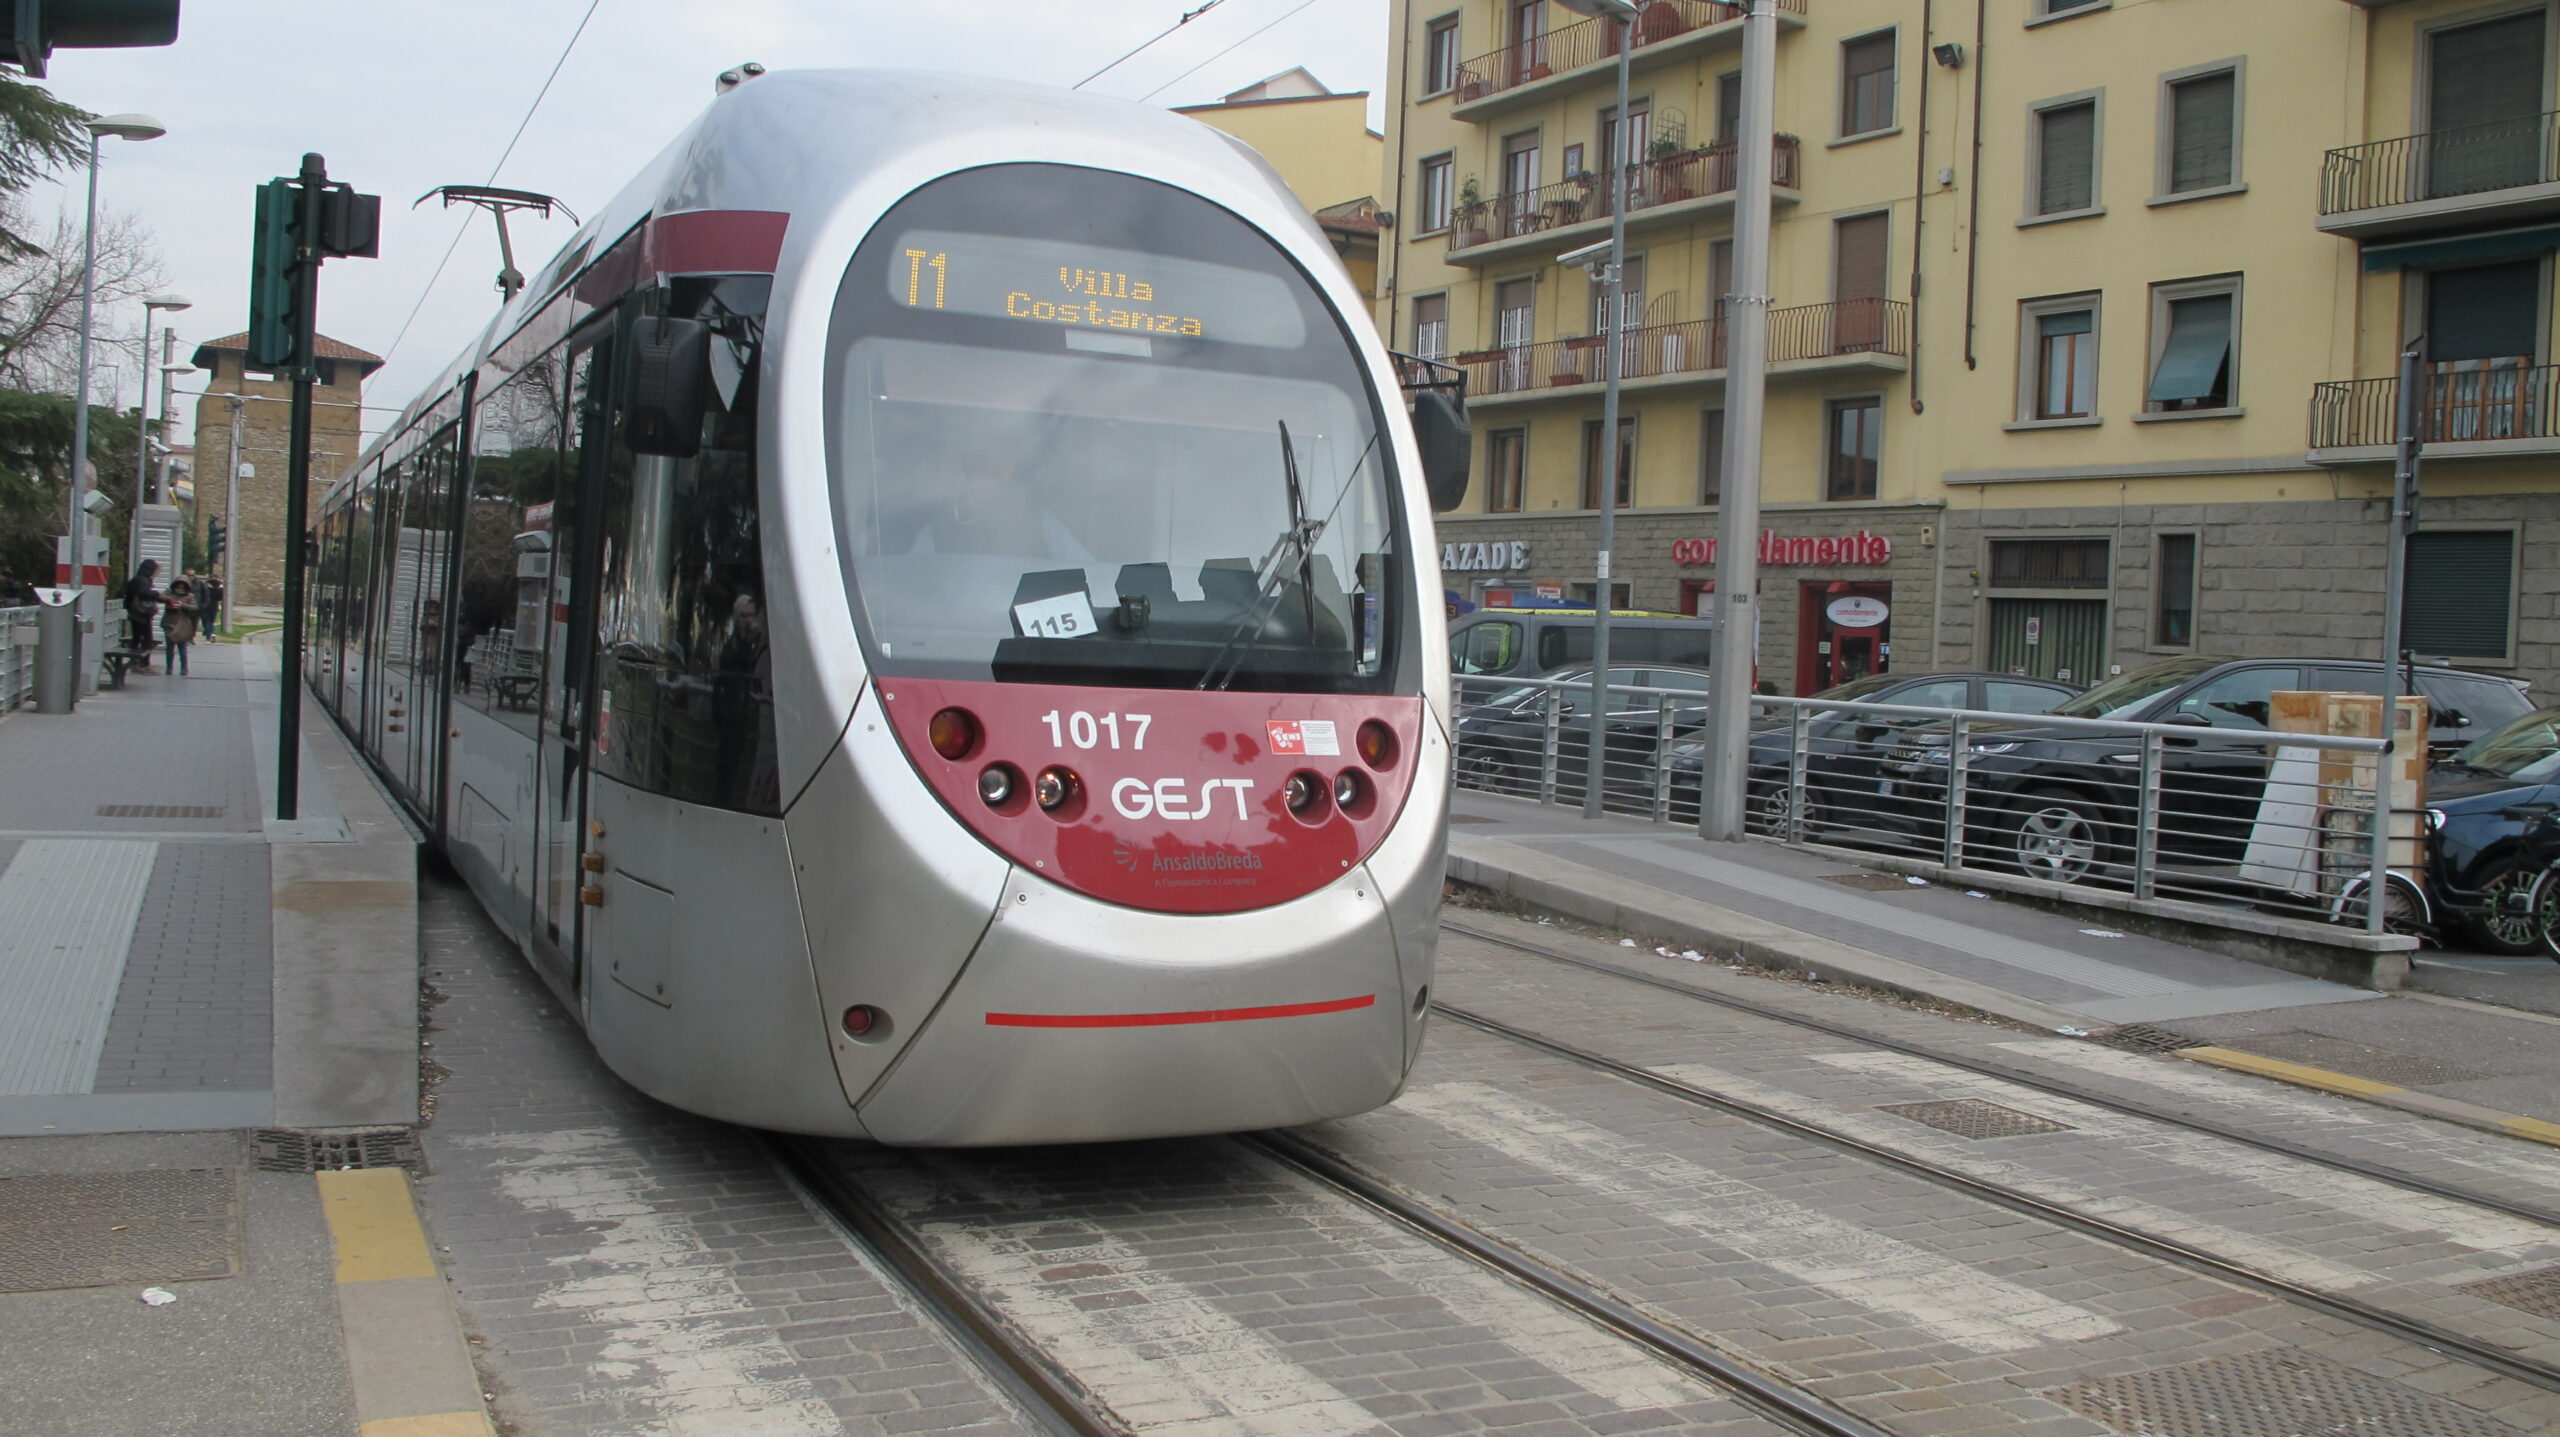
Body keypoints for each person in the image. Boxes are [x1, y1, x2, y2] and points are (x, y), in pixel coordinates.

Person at [121, 559, 161, 670]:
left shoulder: (136, 579)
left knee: (137, 638)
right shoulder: (143, 580)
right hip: (141, 614)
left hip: (134, 613)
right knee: (146, 639)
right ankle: (143, 663)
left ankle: (134, 663)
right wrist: (156, 594)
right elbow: (143, 593)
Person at [160, 578, 198, 676]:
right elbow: (159, 597)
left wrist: (182, 605)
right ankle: (169, 668)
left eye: (182, 586)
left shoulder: (189, 596)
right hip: (169, 622)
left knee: (182, 647)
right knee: (169, 648)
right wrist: (170, 600)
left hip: (182, 623)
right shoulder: (169, 592)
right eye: (178, 586)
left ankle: (184, 668)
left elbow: (194, 607)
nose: (180, 588)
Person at [201, 572, 225, 640]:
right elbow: (221, 597)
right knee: (212, 620)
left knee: (206, 620)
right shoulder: (220, 586)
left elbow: (202, 594)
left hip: (206, 604)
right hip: (215, 605)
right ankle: (212, 633)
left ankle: (208, 633)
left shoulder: (206, 584)